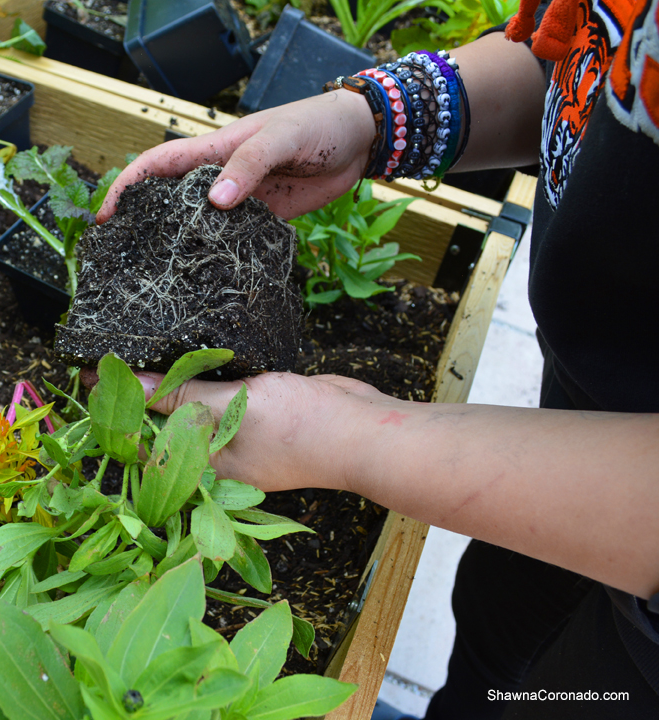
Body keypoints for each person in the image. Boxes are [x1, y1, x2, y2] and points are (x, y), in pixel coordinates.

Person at [94, 1, 659, 718]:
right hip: (584, 415)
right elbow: (582, 71)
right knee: (495, 644)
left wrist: (347, 438)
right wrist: (371, 121)